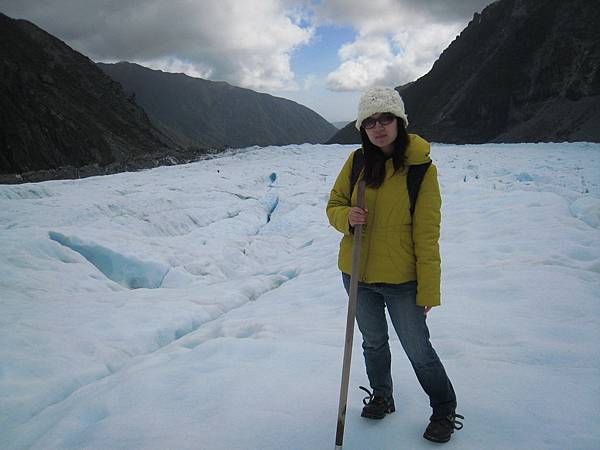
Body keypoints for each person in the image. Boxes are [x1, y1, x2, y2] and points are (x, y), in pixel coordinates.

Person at [326, 86, 463, 443]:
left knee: (418, 349)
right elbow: (334, 205)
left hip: (403, 280)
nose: (378, 126)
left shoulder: (420, 170)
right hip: (357, 274)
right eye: (369, 121)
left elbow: (427, 234)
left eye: (385, 117)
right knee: (373, 343)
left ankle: (444, 408)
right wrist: (347, 217)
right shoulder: (357, 162)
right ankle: (382, 396)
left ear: (399, 121)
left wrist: (428, 288)